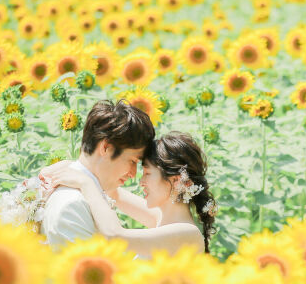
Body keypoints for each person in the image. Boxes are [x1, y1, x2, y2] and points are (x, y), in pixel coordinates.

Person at [39, 131, 217, 257]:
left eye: (147, 173)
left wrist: (84, 182)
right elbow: (114, 193)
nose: (140, 182)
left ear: (176, 180)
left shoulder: (187, 234)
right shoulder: (161, 219)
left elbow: (115, 236)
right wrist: (72, 167)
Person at [41, 99, 155, 247]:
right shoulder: (72, 205)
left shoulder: (89, 190)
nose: (134, 174)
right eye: (132, 161)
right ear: (106, 147)